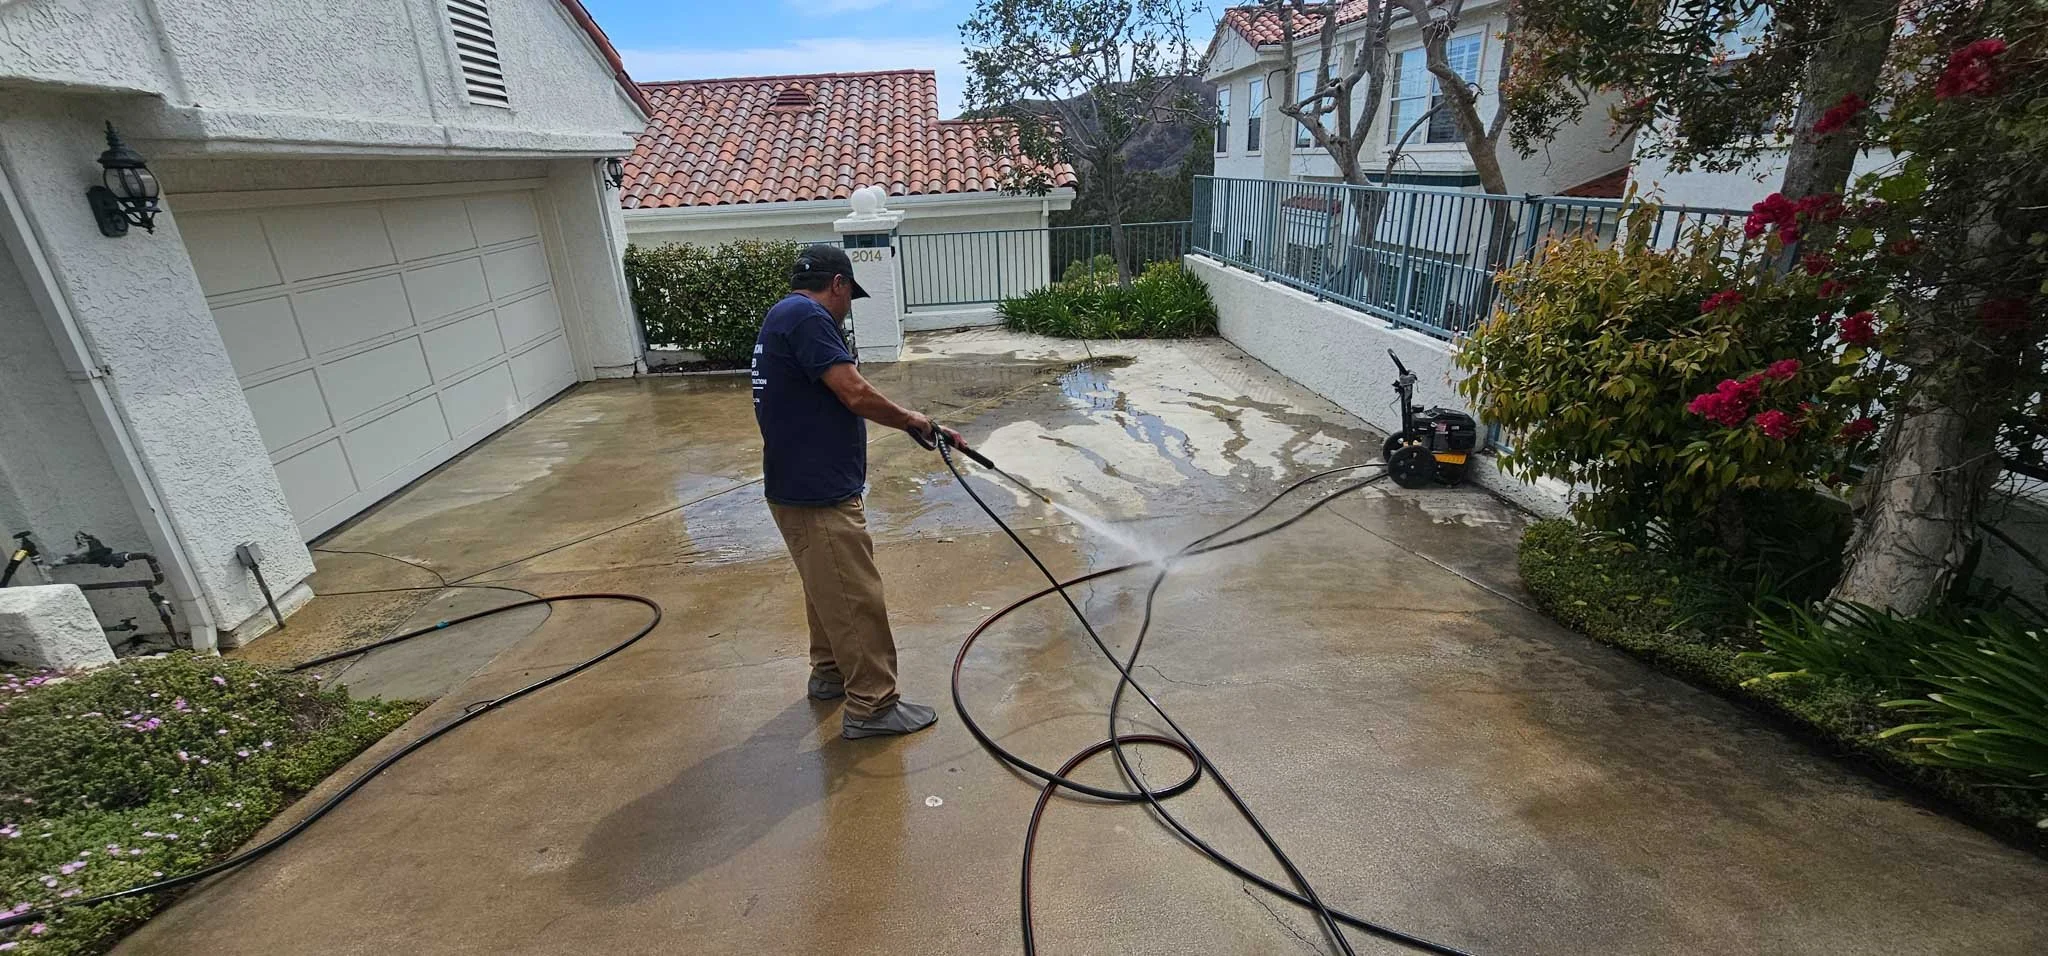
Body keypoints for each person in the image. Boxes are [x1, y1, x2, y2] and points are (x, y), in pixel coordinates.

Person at [751, 244, 965, 739]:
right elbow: (854, 391)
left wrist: (921, 425)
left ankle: (829, 673)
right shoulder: (808, 316)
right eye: (850, 296)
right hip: (817, 491)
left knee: (825, 587)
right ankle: (873, 705)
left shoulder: (785, 315)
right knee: (854, 595)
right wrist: (914, 419)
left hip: (797, 485)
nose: (849, 307)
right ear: (839, 284)